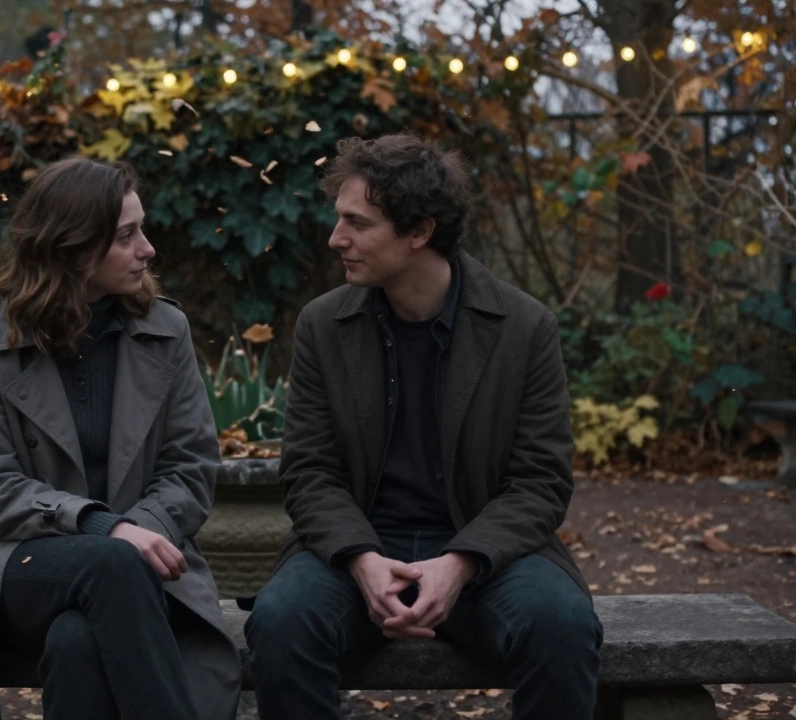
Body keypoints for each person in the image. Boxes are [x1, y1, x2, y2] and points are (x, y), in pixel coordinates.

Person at [243, 134, 603, 719]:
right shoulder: (323, 326)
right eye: (340, 220)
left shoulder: (524, 327)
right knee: (281, 623)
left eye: (358, 224)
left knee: (561, 626)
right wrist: (361, 558)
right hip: (354, 551)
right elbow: (309, 472)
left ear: (419, 231)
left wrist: (459, 563)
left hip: (487, 557)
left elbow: (540, 482)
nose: (337, 239)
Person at [0, 156, 242, 720]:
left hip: (143, 567)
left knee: (77, 642)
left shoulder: (166, 332)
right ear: (71, 248)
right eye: (127, 235)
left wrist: (134, 532)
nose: (149, 248)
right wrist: (104, 528)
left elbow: (190, 466)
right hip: (16, 564)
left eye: (141, 229)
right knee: (110, 564)